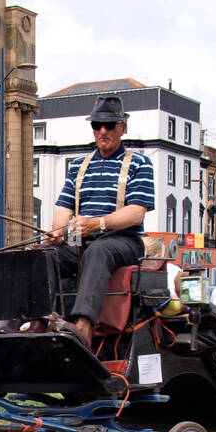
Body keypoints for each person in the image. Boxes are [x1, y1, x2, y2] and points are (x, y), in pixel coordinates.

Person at [46, 96, 154, 345]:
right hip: (82, 238)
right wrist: (58, 232)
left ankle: (83, 327)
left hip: (122, 240)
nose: (102, 131)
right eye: (97, 125)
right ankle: (38, 318)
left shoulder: (139, 163)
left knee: (98, 250)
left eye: (109, 125)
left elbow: (136, 212)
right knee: (45, 254)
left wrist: (97, 223)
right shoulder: (78, 166)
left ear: (122, 128)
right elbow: (63, 209)